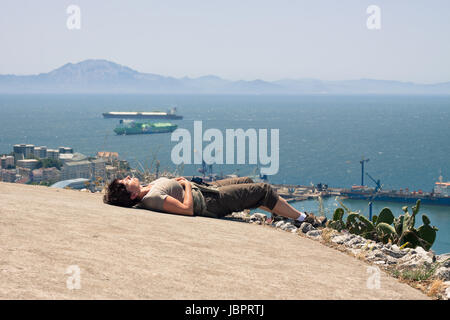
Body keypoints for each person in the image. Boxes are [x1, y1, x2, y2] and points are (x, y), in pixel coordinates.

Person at [103, 175, 327, 227]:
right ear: (131, 195)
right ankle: (303, 219)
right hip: (209, 202)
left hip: (207, 190)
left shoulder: (145, 188)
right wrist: (188, 185)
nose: (128, 177)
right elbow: (187, 210)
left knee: (248, 181)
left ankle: (280, 213)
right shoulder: (151, 198)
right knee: (263, 190)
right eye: (125, 182)